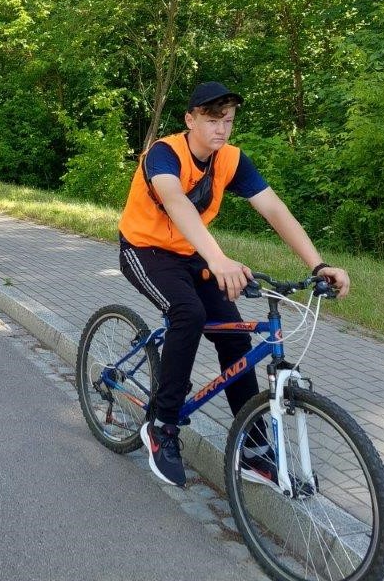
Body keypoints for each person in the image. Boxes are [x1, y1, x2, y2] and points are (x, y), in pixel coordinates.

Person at [118, 81, 350, 488]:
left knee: (236, 337)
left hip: (192, 253)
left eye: (228, 120)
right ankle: (162, 424)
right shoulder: (164, 153)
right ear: (190, 119)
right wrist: (218, 258)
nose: (221, 129)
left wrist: (318, 265)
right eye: (211, 119)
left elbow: (274, 209)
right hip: (145, 248)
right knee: (188, 314)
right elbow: (176, 201)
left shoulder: (232, 160)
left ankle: (253, 448)